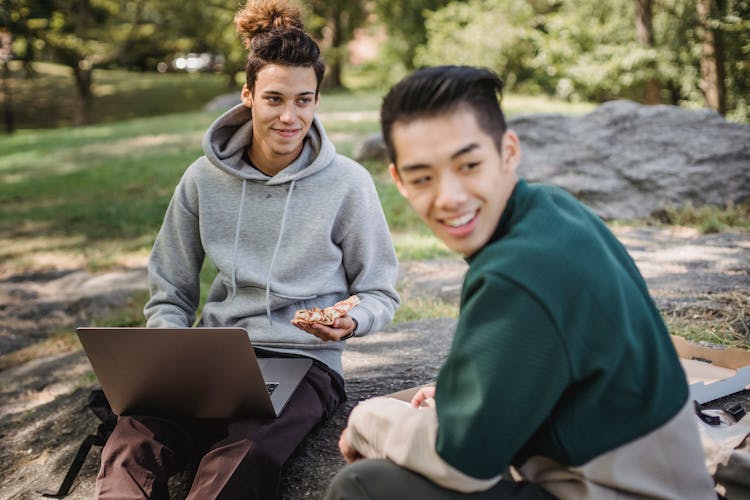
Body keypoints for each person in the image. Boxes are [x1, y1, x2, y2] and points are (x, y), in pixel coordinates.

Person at [324, 65, 715, 500]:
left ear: (508, 152)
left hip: (624, 490)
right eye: (423, 178)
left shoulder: (518, 272)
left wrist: (367, 418)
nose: (449, 196)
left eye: (469, 164)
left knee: (364, 485)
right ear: (398, 180)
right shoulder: (550, 209)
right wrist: (472, 393)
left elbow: (462, 466)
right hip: (660, 476)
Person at [94, 1, 399, 498]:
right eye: (275, 99)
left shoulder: (348, 184)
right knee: (130, 444)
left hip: (303, 361)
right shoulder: (201, 180)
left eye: (304, 100)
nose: (290, 115)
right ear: (248, 96)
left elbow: (379, 291)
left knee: (243, 456)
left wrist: (352, 321)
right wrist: (170, 358)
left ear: (317, 100)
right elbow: (170, 287)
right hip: (212, 357)